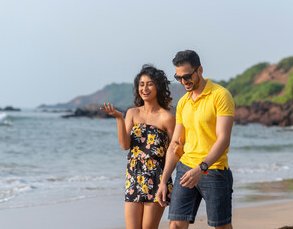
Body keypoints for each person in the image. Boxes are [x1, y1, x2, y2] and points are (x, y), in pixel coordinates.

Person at [157, 50, 235, 229]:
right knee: (176, 225)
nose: (184, 81)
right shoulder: (183, 102)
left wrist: (201, 168)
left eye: (187, 76)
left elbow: (223, 139)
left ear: (199, 70)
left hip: (213, 170)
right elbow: (176, 144)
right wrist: (163, 181)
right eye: (179, 78)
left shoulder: (220, 95)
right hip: (185, 168)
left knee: (221, 226)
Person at [100, 64, 175, 229]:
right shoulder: (132, 113)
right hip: (134, 176)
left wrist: (165, 182)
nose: (145, 88)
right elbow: (125, 145)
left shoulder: (167, 118)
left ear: (158, 86)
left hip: (157, 178)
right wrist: (119, 118)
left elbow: (174, 152)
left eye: (149, 84)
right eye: (141, 84)